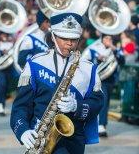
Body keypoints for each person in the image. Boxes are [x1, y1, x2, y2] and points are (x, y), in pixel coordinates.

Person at [10, 12, 104, 154]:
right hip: (39, 138)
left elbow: (97, 103)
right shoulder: (35, 64)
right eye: (64, 37)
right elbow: (21, 106)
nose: (69, 43)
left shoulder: (89, 69)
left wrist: (76, 106)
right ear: (53, 36)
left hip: (73, 141)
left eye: (74, 38)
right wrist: (23, 131)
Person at [82, 34, 124, 137]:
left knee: (106, 101)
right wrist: (97, 60)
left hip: (110, 80)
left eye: (110, 38)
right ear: (102, 39)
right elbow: (84, 62)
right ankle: (100, 125)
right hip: (98, 79)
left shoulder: (114, 50)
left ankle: (101, 124)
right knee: (102, 100)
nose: (108, 40)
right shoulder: (93, 49)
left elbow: (122, 60)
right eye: (106, 38)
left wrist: (113, 48)